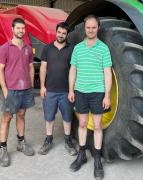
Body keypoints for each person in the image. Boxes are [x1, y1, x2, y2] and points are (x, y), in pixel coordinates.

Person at [68, 15, 112, 179]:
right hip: (80, 91)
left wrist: (107, 95)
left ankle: (97, 160)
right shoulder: (78, 48)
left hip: (97, 92)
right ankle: (81, 155)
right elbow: (73, 70)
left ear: (98, 28)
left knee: (98, 126)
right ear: (85, 28)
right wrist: (71, 90)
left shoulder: (104, 49)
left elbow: (107, 73)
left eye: (94, 27)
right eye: (88, 27)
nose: (91, 30)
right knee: (83, 123)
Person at [0, 18, 35, 167]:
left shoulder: (27, 48)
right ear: (12, 29)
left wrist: (30, 85)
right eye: (18, 28)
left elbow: (31, 66)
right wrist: (5, 90)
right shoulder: (4, 48)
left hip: (25, 89)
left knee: (21, 115)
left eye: (23, 28)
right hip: (11, 90)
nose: (21, 31)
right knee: (6, 119)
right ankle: (3, 148)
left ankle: (21, 143)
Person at [39, 22, 77, 156]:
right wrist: (42, 86)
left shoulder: (72, 49)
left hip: (66, 91)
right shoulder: (47, 48)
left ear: (67, 35)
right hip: (50, 90)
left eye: (64, 33)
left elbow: (74, 69)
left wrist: (72, 90)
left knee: (67, 118)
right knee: (49, 117)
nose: (61, 35)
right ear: (56, 32)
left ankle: (68, 141)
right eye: (59, 32)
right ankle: (48, 140)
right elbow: (43, 68)